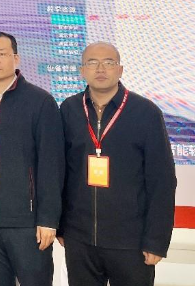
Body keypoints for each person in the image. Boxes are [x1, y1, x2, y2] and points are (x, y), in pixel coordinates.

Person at [58, 42, 176, 286]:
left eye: (109, 62)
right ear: (82, 71)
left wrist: (156, 240)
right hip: (80, 239)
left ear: (120, 69)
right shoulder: (69, 110)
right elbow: (60, 172)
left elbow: (162, 180)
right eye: (92, 62)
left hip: (130, 242)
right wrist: (60, 225)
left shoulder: (145, 112)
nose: (100, 68)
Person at [0, 30, 64, 286]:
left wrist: (48, 219)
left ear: (16, 59)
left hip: (27, 223)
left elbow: (51, 165)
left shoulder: (40, 101)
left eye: (2, 54)